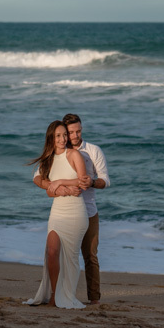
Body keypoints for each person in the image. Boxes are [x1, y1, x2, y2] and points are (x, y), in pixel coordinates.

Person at [24, 120, 90, 309]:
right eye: (58, 136)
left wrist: (60, 182)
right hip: (57, 212)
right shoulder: (49, 158)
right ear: (51, 139)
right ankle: (54, 294)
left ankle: (65, 295)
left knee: (70, 258)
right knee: (51, 252)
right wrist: (53, 188)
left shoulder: (74, 154)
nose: (62, 139)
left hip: (76, 212)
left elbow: (83, 182)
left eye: (64, 135)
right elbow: (39, 181)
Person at [61, 113, 109, 305]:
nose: (75, 135)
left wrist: (92, 182)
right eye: (71, 132)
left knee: (90, 255)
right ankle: (64, 295)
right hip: (66, 211)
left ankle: (94, 299)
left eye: (78, 131)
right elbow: (40, 176)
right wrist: (60, 188)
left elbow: (106, 180)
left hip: (89, 211)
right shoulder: (58, 151)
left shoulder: (93, 150)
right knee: (66, 255)